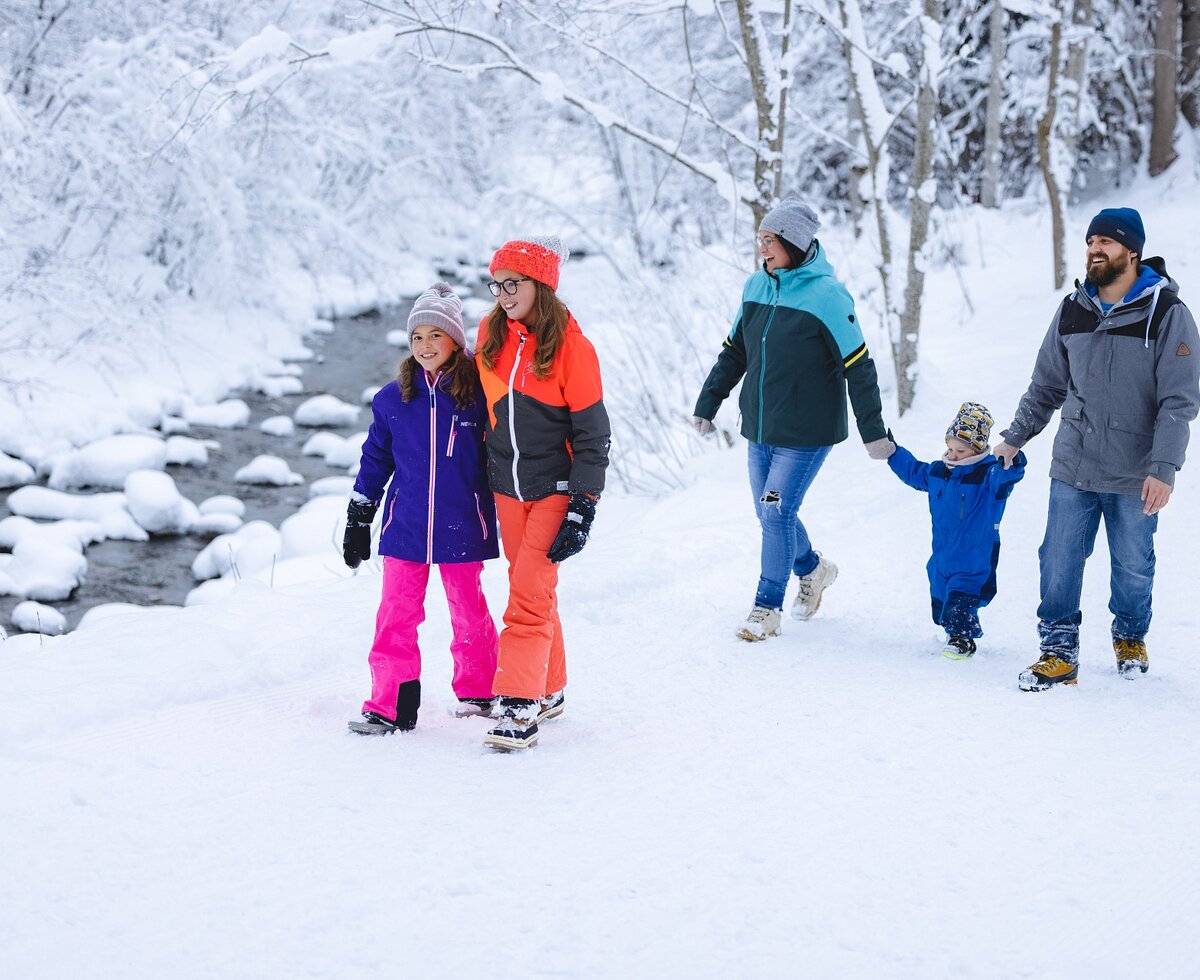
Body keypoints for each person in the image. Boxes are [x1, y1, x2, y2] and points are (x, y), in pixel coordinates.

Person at [994, 207, 1200, 690]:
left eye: (1107, 241)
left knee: (1132, 562)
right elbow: (1046, 385)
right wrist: (1014, 437)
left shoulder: (1166, 313)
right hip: (1074, 461)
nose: (1095, 249)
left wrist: (1164, 467)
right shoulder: (1073, 308)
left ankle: (1130, 635)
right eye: (1091, 241)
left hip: (1135, 469)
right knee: (1058, 557)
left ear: (1133, 252)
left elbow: (1179, 400)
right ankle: (1058, 649)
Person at [692, 198, 892, 641]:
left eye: (769, 240)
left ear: (794, 243)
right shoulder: (755, 287)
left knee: (776, 512)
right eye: (759, 240)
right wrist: (708, 403)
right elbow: (735, 351)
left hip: (806, 431)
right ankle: (813, 569)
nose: (762, 248)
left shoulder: (827, 295)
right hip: (760, 427)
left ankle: (766, 608)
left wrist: (874, 433)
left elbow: (858, 364)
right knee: (769, 514)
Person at [343, 282, 500, 734]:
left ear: (455, 340)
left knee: (468, 609)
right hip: (406, 524)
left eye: (436, 335)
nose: (425, 345)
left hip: (464, 522)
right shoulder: (393, 399)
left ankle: (479, 691)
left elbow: (502, 452)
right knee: (396, 613)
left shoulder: (479, 393)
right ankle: (390, 706)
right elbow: (376, 459)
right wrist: (360, 515)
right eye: (417, 337)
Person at [475, 236, 610, 750]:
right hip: (506, 487)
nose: (504, 294)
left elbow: (594, 437)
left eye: (514, 283)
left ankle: (518, 705)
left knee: (526, 598)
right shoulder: (491, 332)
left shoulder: (574, 349)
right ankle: (549, 689)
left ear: (542, 285)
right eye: (498, 284)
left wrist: (583, 507)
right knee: (531, 588)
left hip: (554, 488)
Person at [884, 403, 1026, 659]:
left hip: (975, 556)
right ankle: (953, 632)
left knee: (962, 599)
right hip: (942, 556)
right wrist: (893, 452)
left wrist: (1012, 459)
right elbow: (914, 471)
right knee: (941, 598)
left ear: (978, 448)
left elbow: (1008, 475)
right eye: (950, 448)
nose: (953, 454)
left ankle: (964, 639)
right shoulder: (940, 472)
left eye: (960, 450)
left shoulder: (988, 475)